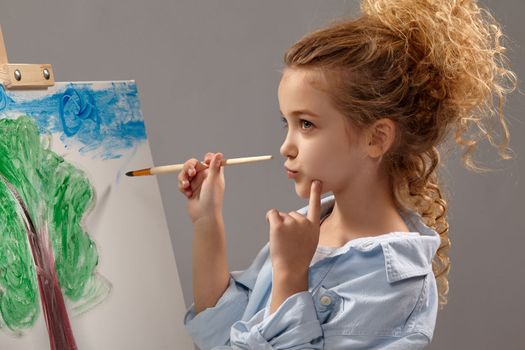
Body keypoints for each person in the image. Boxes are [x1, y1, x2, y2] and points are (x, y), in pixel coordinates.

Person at [177, 0, 517, 348]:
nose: (286, 147)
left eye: (306, 124)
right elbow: (220, 337)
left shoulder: (394, 283)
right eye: (287, 123)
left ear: (376, 138)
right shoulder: (308, 227)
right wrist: (207, 223)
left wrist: (291, 278)